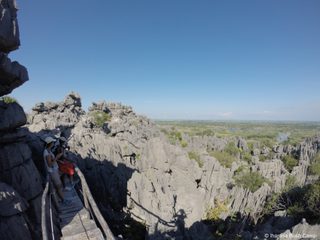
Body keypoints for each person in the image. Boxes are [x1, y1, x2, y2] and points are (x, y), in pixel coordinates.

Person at [43, 136, 71, 205]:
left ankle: (61, 199)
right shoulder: (47, 153)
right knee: (59, 186)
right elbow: (50, 164)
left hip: (54, 170)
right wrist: (57, 157)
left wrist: (58, 160)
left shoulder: (47, 151)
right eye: (52, 142)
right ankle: (63, 200)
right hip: (52, 171)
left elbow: (52, 161)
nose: (53, 143)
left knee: (59, 185)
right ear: (50, 143)